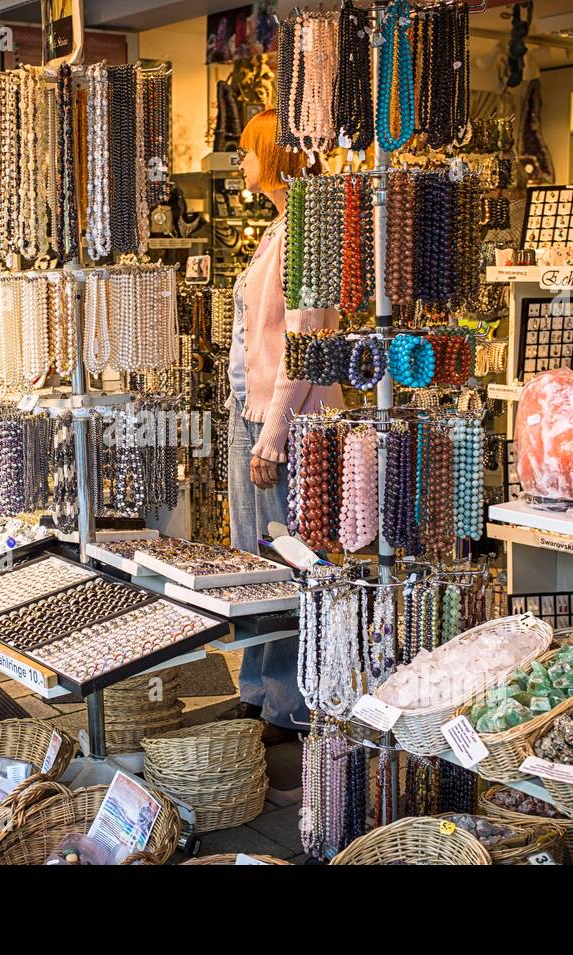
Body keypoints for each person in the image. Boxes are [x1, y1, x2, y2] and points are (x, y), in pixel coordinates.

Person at [226, 109, 343, 739]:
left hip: (291, 425)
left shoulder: (305, 231)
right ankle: (257, 691)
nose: (241, 164)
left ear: (272, 155)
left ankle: (289, 702)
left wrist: (271, 437)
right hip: (257, 416)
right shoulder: (279, 228)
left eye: (247, 152)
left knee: (288, 562)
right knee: (256, 563)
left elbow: (304, 343)